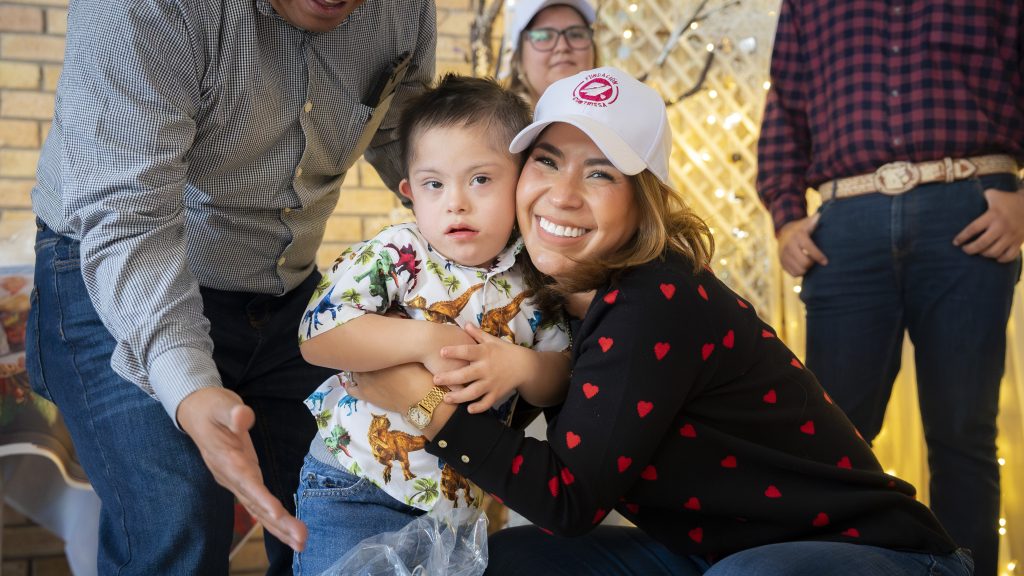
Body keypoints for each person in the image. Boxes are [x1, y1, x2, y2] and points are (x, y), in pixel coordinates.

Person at [342, 66, 973, 575]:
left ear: (643, 204)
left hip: (878, 553)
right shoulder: (543, 299)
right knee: (510, 563)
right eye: (547, 161)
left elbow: (569, 500)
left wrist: (422, 403)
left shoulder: (656, 299)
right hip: (712, 553)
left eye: (600, 173)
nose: (562, 194)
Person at [24, 0, 436, 573]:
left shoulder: (404, 9)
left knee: (350, 502)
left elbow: (412, 143)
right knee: (181, 520)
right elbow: (129, 217)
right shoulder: (147, 9)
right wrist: (189, 387)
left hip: (288, 295)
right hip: (116, 271)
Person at [755, 3, 1023, 574]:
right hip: (846, 223)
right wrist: (786, 217)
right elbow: (786, 107)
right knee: (832, 437)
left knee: (963, 431)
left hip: (971, 208)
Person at [292, 74, 570, 575]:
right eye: (434, 184)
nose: (455, 201)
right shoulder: (400, 253)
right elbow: (318, 335)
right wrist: (426, 339)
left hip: (455, 507)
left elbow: (560, 376)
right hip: (355, 483)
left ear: (521, 183)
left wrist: (521, 367)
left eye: (480, 179)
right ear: (410, 193)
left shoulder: (534, 277)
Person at [505, 0, 597, 106]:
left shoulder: (614, 114)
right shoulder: (498, 116)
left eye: (576, 34)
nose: (562, 46)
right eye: (543, 36)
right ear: (520, 57)